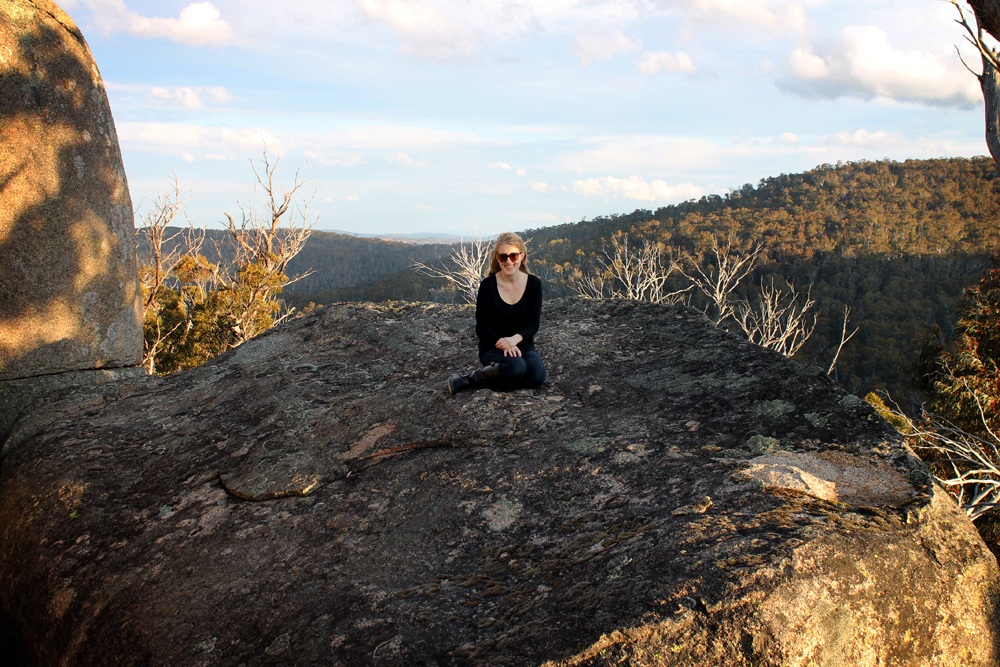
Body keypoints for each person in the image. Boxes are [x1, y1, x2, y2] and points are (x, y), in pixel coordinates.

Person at [448, 232, 546, 394]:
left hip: (522, 346)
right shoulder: (488, 285)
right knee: (516, 367)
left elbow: (533, 323)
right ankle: (470, 378)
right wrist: (502, 341)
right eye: (503, 257)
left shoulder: (533, 284)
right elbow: (482, 327)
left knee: (537, 375)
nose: (509, 261)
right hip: (493, 346)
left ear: (522, 256)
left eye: (514, 256)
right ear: (497, 258)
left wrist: (514, 340)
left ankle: (499, 375)